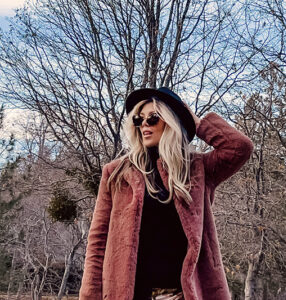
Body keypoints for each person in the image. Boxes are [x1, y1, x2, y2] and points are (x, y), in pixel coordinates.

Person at [78, 87, 254, 300]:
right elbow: (97, 244)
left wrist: (195, 123)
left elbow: (239, 148)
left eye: (153, 118)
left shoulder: (198, 169)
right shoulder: (116, 173)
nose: (144, 124)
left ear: (171, 122)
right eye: (138, 119)